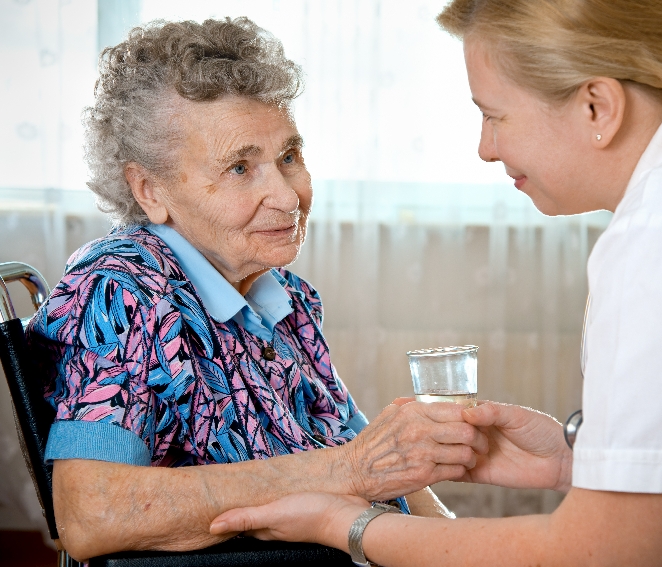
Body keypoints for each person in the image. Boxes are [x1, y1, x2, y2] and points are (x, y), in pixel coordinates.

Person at [209, 1, 662, 565]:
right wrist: (574, 460)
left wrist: (347, 526)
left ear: (598, 106)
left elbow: (599, 555)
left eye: (493, 115)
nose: (485, 148)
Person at [26, 17, 489, 562]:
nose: (288, 197)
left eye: (289, 157)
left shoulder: (283, 298)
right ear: (150, 190)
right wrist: (346, 468)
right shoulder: (121, 294)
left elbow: (386, 472)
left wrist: (461, 548)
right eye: (240, 168)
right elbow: (92, 515)